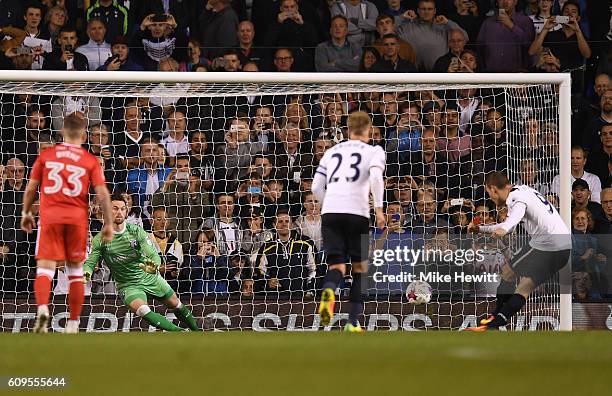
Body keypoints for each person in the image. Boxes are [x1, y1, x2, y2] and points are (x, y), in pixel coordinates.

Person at [20, 113, 114, 334]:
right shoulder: (89, 159)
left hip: (50, 216)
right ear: (83, 135)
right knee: (75, 272)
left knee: (45, 269)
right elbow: (102, 193)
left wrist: (26, 212)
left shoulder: (47, 155)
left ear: (62, 131)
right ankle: (73, 322)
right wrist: (108, 222)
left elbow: (32, 188)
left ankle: (43, 308)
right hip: (76, 219)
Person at [467, 172, 571, 331]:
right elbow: (510, 221)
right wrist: (480, 229)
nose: (491, 199)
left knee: (507, 272)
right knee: (524, 287)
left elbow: (512, 221)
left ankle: (494, 319)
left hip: (547, 246)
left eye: (489, 194)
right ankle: (496, 322)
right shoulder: (523, 190)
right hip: (563, 248)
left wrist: (504, 229)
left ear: (494, 189)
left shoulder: (516, 199)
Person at [312, 111, 386, 332]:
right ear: (369, 130)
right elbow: (375, 177)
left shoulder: (332, 151)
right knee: (360, 269)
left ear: (348, 129)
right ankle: (352, 322)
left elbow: (316, 187)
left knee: (336, 265)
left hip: (331, 213)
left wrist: (330, 205)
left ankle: (328, 290)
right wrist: (379, 210)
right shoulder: (374, 151)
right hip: (357, 213)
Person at [84, 194, 199, 332]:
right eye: (115, 208)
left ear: (126, 212)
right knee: (143, 310)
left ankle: (197, 332)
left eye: (122, 209)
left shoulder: (137, 232)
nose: (119, 212)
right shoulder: (100, 239)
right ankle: (180, 332)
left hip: (149, 277)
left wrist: (154, 266)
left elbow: (152, 254)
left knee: (176, 304)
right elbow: (90, 263)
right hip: (128, 285)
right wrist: (86, 274)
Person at [476, 0, 536, 72]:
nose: (505, 2)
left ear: (515, 2)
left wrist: (511, 25)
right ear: (497, 2)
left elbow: (528, 44)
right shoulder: (488, 23)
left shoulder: (525, 21)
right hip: (492, 74)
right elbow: (480, 48)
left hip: (517, 75)